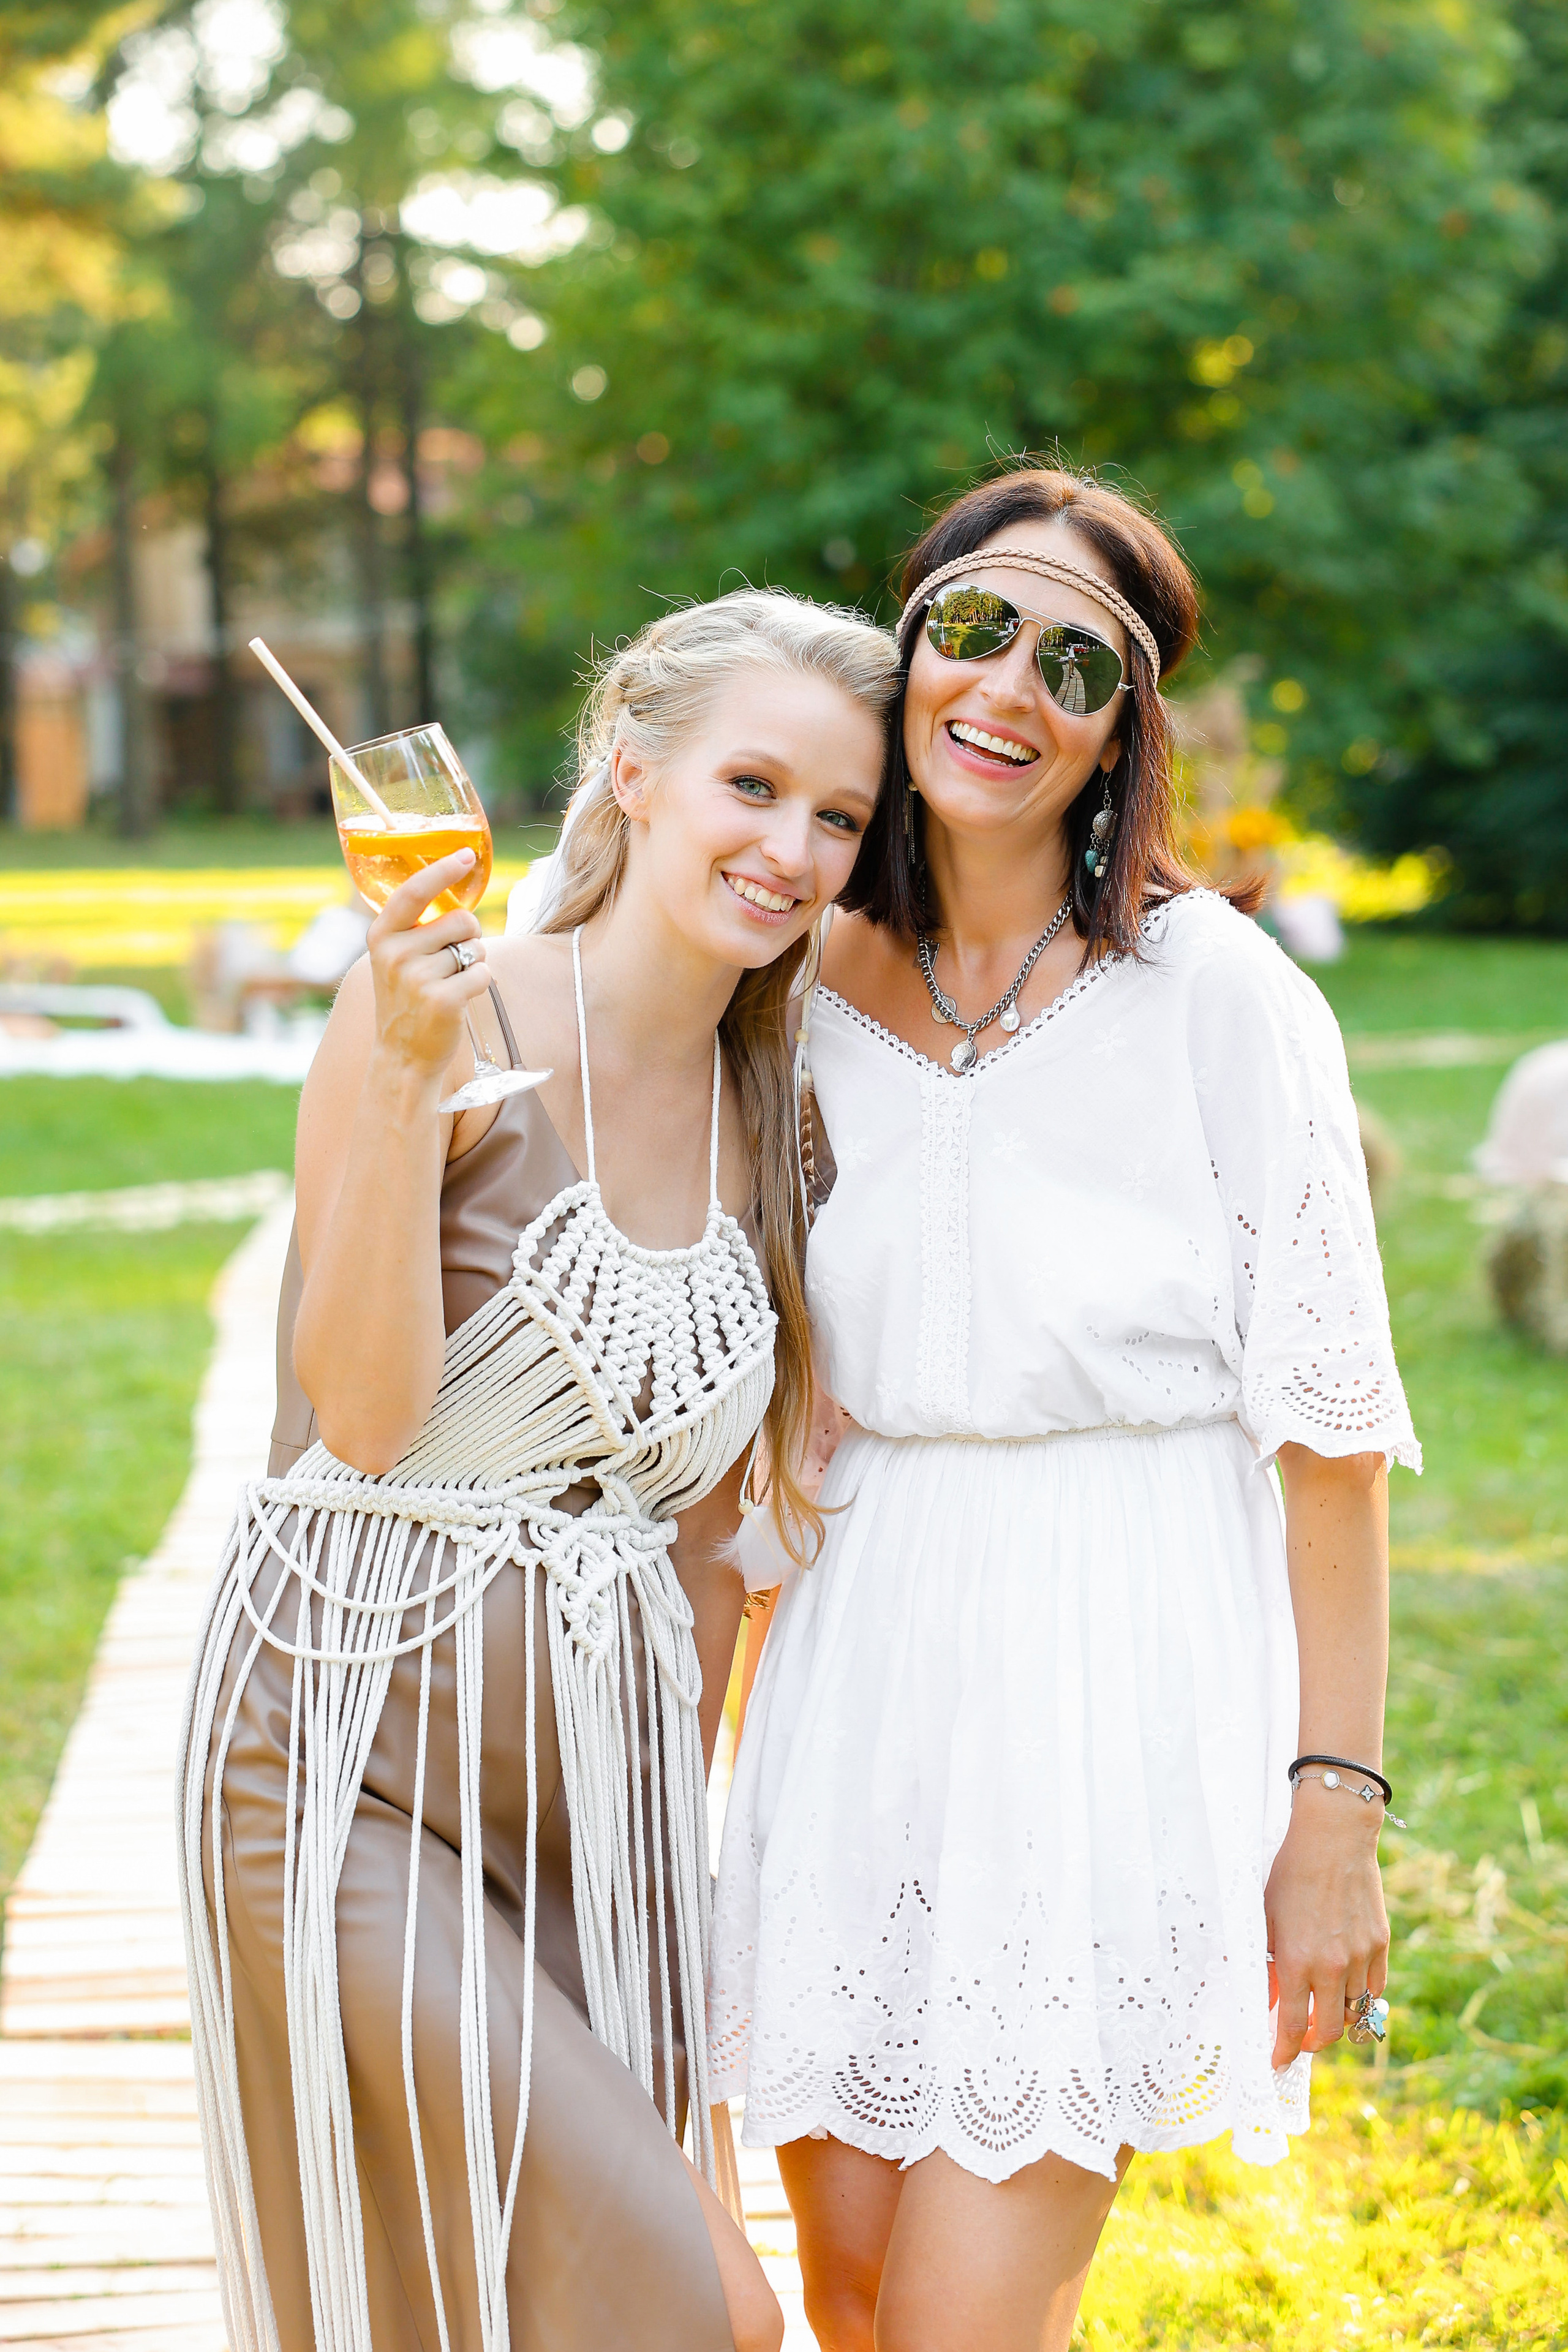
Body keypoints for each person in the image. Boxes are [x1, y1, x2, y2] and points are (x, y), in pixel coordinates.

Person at [709, 469, 1420, 2352]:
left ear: (1123, 727)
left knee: (962, 2320)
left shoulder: (1223, 1000)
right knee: (851, 2296)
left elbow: (1329, 1438)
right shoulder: (784, 988)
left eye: (1077, 660)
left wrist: (1329, 1806)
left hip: (1112, 1665)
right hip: (853, 1668)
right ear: (904, 656)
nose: (1010, 686)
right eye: (972, 628)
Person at [176, 589, 897, 2352]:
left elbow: (719, 1558)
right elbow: (351, 1412)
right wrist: (410, 1079)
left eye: (841, 817)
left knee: (627, 2293)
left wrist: (679, 1935)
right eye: (753, 785)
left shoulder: (779, 1112)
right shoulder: (444, 1014)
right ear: (631, 771)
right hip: (336, 1773)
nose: (791, 848)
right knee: (674, 2312)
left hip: (604, 1810)